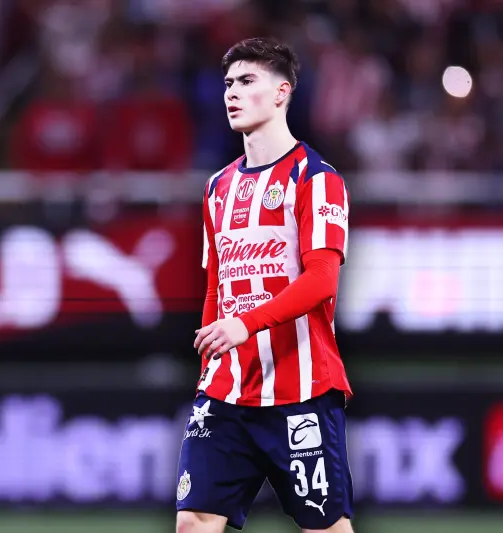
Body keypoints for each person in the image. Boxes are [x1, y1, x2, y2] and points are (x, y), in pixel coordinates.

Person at [176, 37, 355, 533]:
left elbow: (321, 280)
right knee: (193, 522)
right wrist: (209, 362)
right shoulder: (217, 187)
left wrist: (245, 324)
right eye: (228, 83)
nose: (232, 92)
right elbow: (218, 284)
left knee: (326, 529)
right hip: (226, 393)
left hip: (301, 392)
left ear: (282, 92)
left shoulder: (316, 178)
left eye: (247, 80)